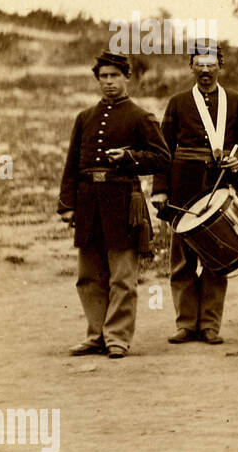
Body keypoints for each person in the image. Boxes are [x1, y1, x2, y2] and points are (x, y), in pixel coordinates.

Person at [57, 51, 170, 358]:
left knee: (122, 276)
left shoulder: (141, 116)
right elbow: (71, 165)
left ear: (127, 78)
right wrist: (67, 204)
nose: (108, 82)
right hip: (88, 203)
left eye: (114, 76)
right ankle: (96, 335)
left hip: (122, 203)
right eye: (103, 77)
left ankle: (117, 337)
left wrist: (131, 158)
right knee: (89, 275)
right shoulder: (85, 118)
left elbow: (162, 159)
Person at [152, 46, 238, 345]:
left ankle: (210, 325)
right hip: (184, 188)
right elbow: (163, 151)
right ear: (192, 67)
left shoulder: (234, 101)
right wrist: (160, 189)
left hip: (221, 187)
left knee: (216, 256)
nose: (206, 71)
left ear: (220, 67)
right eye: (200, 65)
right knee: (182, 260)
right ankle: (185, 324)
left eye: (211, 65)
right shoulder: (178, 102)